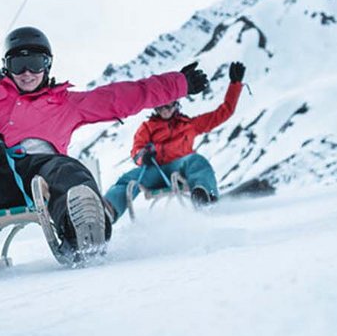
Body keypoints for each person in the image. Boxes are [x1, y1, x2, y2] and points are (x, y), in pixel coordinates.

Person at [0, 26, 205, 280]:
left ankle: (82, 231)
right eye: (19, 63)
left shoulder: (66, 103)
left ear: (47, 65)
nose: (27, 72)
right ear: (7, 67)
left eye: (35, 62)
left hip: (44, 169)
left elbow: (122, 96)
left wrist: (179, 84)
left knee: (69, 172)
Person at [103, 62, 246, 221]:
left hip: (182, 168)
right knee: (129, 178)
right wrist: (144, 156)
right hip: (155, 171)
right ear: (156, 108)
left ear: (176, 105)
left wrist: (235, 85)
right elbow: (136, 152)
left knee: (196, 160)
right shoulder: (148, 127)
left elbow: (224, 112)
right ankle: (108, 210)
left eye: (169, 106)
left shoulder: (189, 125)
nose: (165, 110)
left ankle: (203, 194)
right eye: (161, 107)